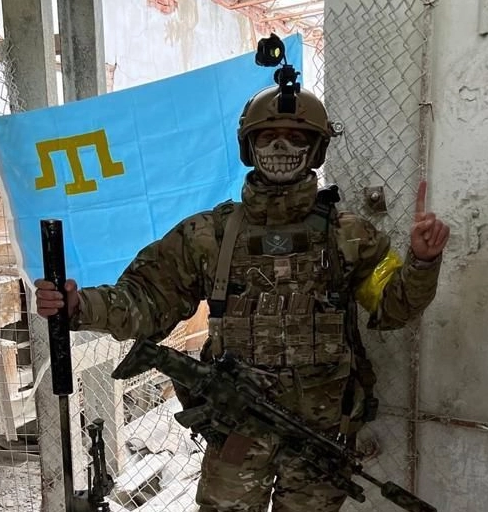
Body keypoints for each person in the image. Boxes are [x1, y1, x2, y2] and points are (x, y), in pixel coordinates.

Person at [35, 83, 449, 511]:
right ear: (249, 147)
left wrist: (422, 263)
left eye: (296, 138)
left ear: (316, 150)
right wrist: (80, 306)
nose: (281, 148)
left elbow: (392, 308)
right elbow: (147, 298)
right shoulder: (209, 236)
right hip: (237, 431)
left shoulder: (350, 236)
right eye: (268, 137)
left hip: (320, 436)